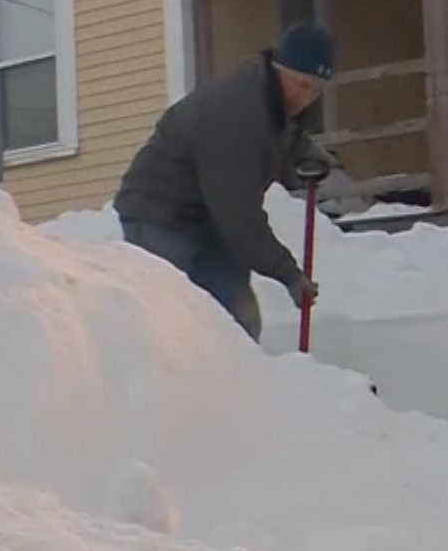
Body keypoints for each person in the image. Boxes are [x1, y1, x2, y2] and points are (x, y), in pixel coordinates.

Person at [113, 22, 339, 341]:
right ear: (281, 68)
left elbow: (278, 131)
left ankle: (236, 373)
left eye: (316, 90)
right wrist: (288, 273)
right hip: (159, 214)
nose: (306, 98)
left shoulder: (272, 93)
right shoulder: (237, 112)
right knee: (168, 322)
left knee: (239, 322)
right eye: (302, 85)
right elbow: (240, 217)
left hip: (209, 217)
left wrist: (304, 153)